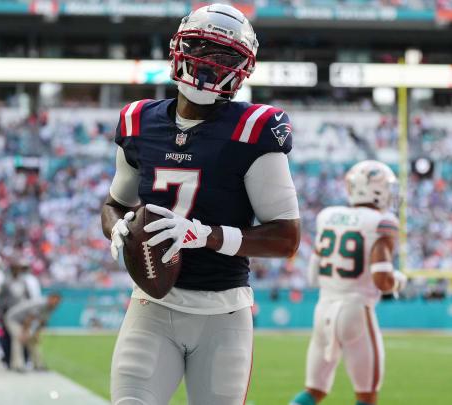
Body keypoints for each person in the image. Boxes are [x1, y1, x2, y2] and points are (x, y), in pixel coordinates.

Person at [102, 4, 301, 404]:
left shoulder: (255, 127)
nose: (207, 65)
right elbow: (115, 204)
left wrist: (206, 236)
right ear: (178, 48)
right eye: (199, 49)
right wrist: (117, 226)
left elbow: (286, 238)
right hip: (152, 306)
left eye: (222, 58)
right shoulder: (137, 120)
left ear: (241, 69)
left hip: (223, 313)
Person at [289, 161, 407, 405]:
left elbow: (312, 276)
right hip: (356, 310)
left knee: (314, 390)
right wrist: (398, 282)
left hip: (324, 310)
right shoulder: (381, 222)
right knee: (366, 395)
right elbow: (382, 280)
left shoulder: (327, 216)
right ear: (376, 189)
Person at [4, 293, 61, 372]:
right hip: (13, 319)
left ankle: (38, 365)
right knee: (19, 339)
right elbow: (29, 319)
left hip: (24, 322)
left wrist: (36, 334)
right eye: (54, 300)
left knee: (33, 341)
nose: (56, 303)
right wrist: (23, 334)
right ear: (50, 299)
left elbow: (43, 322)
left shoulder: (51, 308)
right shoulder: (41, 304)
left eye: (57, 302)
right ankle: (17, 365)